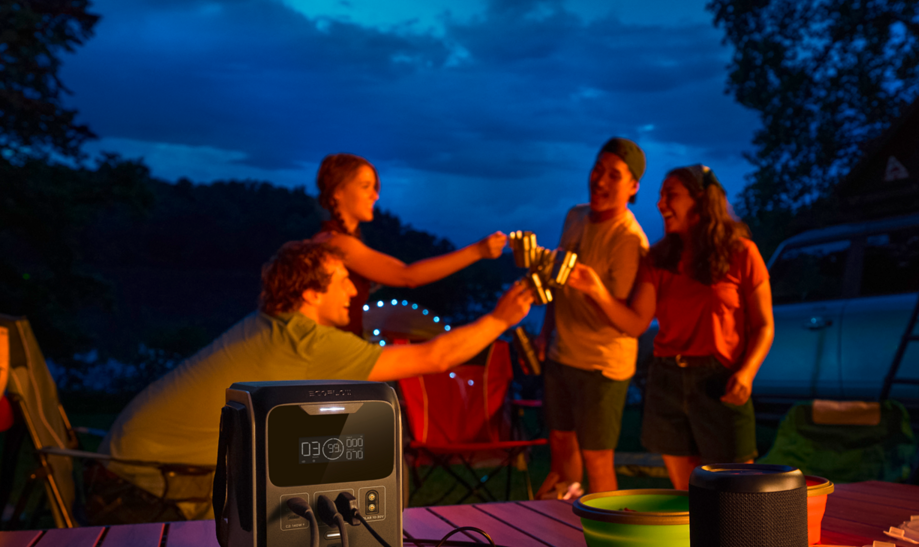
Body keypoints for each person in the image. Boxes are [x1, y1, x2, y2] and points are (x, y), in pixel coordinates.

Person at [93, 239, 535, 521]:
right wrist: (501, 317)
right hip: (144, 494)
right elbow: (437, 357)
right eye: (343, 281)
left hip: (126, 473)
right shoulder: (307, 341)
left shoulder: (275, 325)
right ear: (311, 293)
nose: (352, 291)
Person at [565, 165, 774, 491]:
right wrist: (596, 290)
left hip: (720, 382)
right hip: (668, 381)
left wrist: (747, 373)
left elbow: (763, 325)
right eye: (661, 196)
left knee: (737, 494)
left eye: (671, 195)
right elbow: (635, 323)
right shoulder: (659, 258)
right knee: (686, 496)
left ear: (702, 200)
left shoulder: (742, 253)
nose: (661, 204)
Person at [534, 137, 651, 500]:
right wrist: (545, 331)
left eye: (613, 175)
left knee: (598, 460)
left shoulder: (629, 240)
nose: (600, 181)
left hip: (603, 363)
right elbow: (558, 280)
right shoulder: (575, 216)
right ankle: (564, 526)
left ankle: (606, 538)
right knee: (560, 445)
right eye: (597, 170)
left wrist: (596, 289)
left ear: (632, 187)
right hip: (561, 352)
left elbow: (629, 320)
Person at [313, 153, 507, 335]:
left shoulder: (337, 239)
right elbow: (408, 276)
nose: (375, 195)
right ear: (338, 191)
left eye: (375, 188)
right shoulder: (337, 243)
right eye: (365, 186)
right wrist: (478, 251)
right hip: (337, 361)